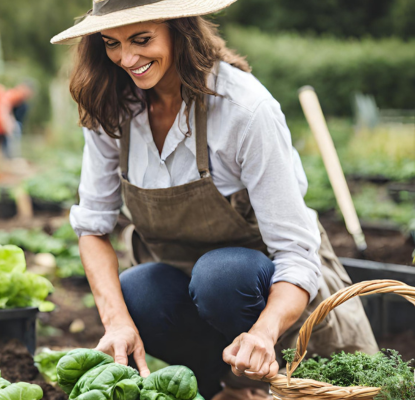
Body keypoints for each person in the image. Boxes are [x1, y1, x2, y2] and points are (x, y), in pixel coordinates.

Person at [50, 1, 379, 399]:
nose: (127, 58)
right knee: (138, 292)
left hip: (272, 298)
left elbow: (296, 253)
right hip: (191, 294)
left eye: (141, 39)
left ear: (178, 29)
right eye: (111, 43)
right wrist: (116, 321)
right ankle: (218, 386)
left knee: (221, 277)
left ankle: (258, 384)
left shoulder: (244, 110)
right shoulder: (112, 104)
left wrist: (263, 331)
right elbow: (93, 226)